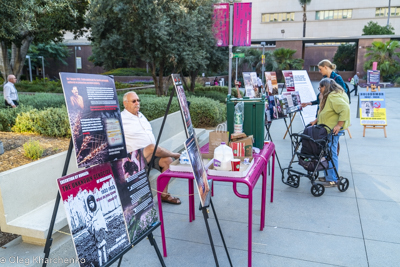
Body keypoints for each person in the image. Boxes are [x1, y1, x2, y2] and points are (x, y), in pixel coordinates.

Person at [121, 92, 181, 204]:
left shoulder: (141, 115)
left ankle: (164, 195)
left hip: (151, 156)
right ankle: (175, 154)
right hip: (136, 158)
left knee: (168, 161)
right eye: (134, 101)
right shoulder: (121, 119)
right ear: (125, 103)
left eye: (138, 100)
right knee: (153, 148)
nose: (137, 103)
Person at [310, 78, 350, 187]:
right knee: (327, 153)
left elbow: (345, 109)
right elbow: (328, 111)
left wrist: (338, 125)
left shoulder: (333, 96)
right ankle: (329, 176)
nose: (320, 90)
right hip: (329, 129)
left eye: (320, 88)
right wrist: (317, 120)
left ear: (325, 87)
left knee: (331, 153)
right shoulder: (335, 94)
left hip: (333, 130)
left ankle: (332, 179)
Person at [85, 195, 108, 266]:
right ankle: (101, 264)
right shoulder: (88, 215)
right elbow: (88, 225)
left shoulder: (98, 211)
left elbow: (102, 220)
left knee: (104, 247)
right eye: (89, 203)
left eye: (92, 202)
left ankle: (106, 261)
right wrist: (92, 221)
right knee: (99, 249)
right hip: (96, 234)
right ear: (88, 205)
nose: (91, 204)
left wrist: (105, 228)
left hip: (101, 232)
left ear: (94, 202)